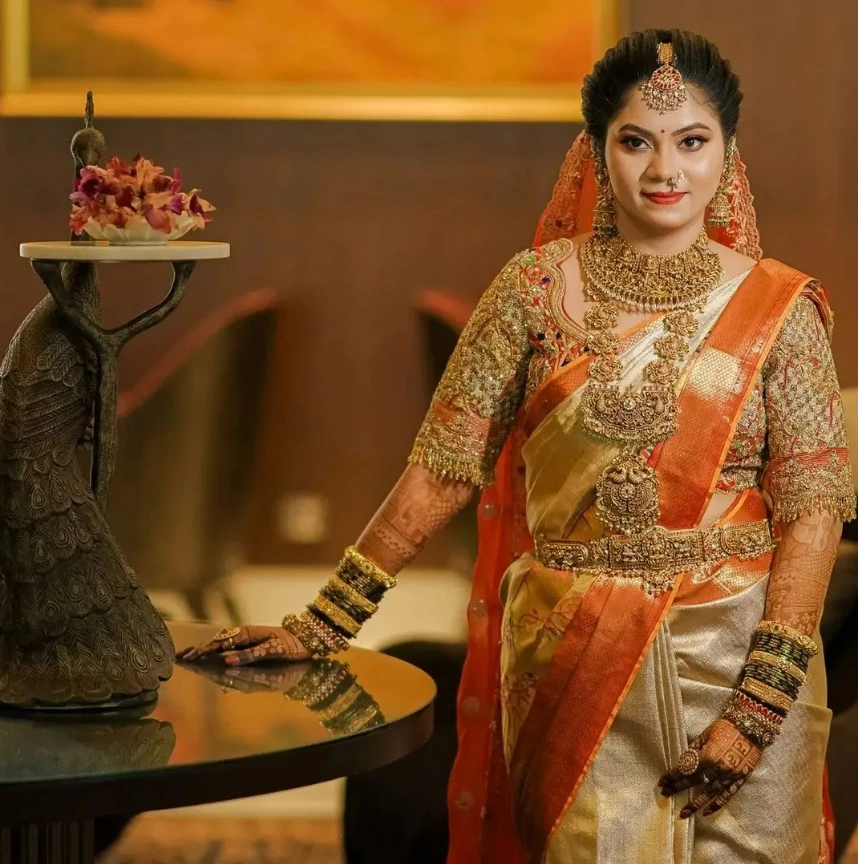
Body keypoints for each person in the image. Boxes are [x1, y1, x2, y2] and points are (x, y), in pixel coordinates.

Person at [178, 28, 855, 863]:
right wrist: (321, 623)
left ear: (727, 153)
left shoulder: (780, 309)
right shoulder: (532, 291)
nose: (664, 171)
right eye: (635, 141)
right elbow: (440, 470)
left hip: (743, 656)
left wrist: (758, 709)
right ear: (596, 150)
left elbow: (814, 511)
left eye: (692, 142)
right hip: (571, 656)